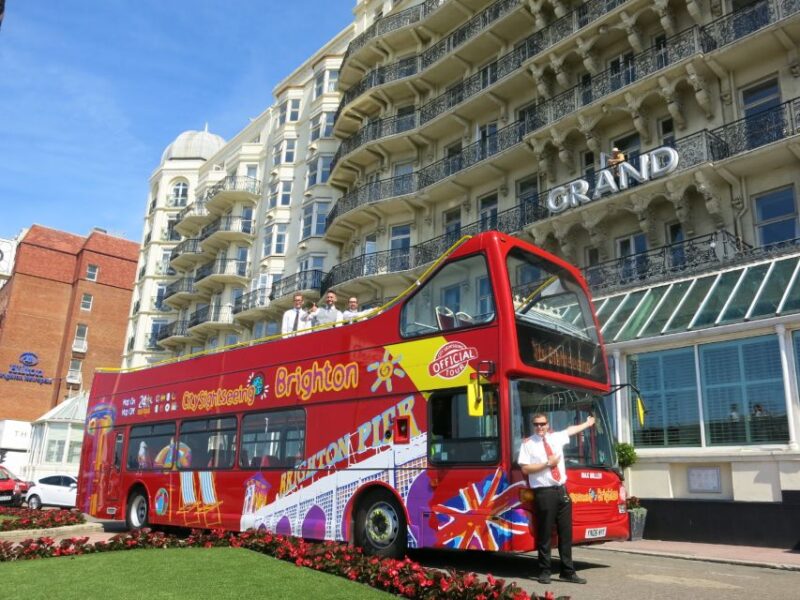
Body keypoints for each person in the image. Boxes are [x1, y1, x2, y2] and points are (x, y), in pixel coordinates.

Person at [518, 412, 596, 585]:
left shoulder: (556, 437)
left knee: (565, 534)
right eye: (536, 424)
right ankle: (544, 571)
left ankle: (567, 571)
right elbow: (525, 469)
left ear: (548, 424)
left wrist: (587, 424)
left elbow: (571, 430)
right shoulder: (528, 444)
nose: (540, 427)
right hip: (544, 492)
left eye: (542, 424)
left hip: (562, 490)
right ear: (533, 426)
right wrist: (547, 464)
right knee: (545, 534)